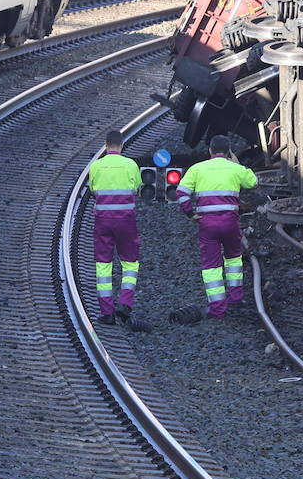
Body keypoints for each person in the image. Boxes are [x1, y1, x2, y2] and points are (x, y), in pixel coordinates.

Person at [170, 134, 258, 324]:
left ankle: (218, 308)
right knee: (233, 260)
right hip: (230, 223)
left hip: (207, 224)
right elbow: (253, 182)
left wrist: (190, 214)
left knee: (211, 266)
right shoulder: (235, 169)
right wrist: (237, 163)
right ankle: (236, 298)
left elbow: (181, 193)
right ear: (228, 152)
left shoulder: (197, 169)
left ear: (210, 150)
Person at [88, 129, 149, 331]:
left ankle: (107, 313)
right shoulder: (131, 165)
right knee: (130, 263)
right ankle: (125, 303)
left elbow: (93, 190)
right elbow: (137, 189)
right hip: (126, 221)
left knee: (103, 265)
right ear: (122, 145)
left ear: (106, 145)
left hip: (103, 221)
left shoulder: (96, 166)